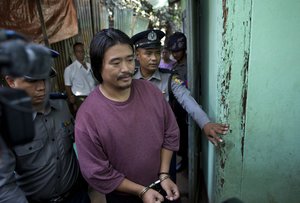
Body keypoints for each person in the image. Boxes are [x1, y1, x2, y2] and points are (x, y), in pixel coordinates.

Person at [75, 28, 180, 203]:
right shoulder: (87, 117)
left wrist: (164, 174)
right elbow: (97, 172)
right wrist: (141, 191)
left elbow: (171, 132)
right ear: (98, 66)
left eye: (130, 60)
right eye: (116, 63)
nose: (126, 69)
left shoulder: (151, 91)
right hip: (123, 197)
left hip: (164, 184)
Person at [1, 40, 90, 203]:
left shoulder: (62, 106)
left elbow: (84, 144)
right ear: (11, 81)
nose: (42, 87)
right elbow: (4, 186)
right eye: (32, 80)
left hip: (78, 195)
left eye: (45, 77)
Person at [131, 29, 229, 173]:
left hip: (164, 145)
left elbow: (187, 100)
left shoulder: (170, 79)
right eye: (148, 53)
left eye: (157, 53)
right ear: (137, 55)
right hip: (137, 144)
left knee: (167, 185)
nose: (154, 58)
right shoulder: (128, 80)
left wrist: (205, 123)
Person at [64, 42, 97, 115]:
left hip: (93, 96)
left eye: (82, 51)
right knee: (85, 118)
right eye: (78, 51)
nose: (81, 53)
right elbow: (67, 86)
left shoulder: (89, 66)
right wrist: (71, 98)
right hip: (81, 99)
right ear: (74, 53)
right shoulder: (69, 69)